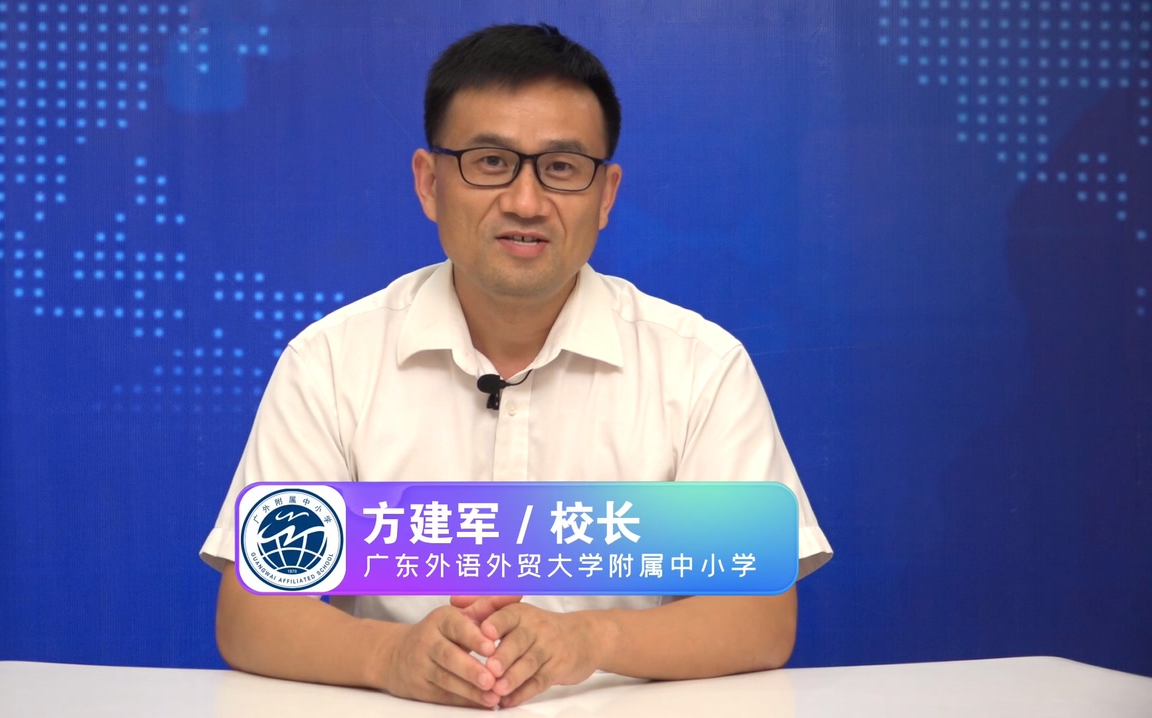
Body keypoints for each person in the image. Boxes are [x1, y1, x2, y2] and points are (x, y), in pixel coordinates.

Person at [200, 23, 832, 710]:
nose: (526, 203)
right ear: (429, 182)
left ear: (606, 194)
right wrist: (393, 656)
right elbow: (253, 612)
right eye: (490, 161)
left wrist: (589, 640)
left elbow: (761, 619)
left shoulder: (699, 367)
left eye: (561, 168)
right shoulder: (331, 362)